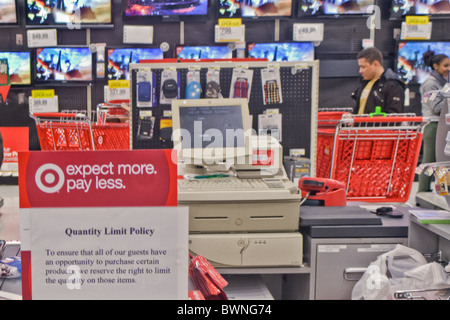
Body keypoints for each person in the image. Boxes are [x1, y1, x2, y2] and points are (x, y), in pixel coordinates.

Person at [418, 51, 450, 192]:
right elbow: (435, 107)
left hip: (443, 126)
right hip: (433, 126)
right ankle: (423, 191)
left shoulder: (443, 82)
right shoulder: (430, 84)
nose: (448, 68)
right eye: (445, 65)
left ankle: (444, 192)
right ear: (435, 66)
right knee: (430, 161)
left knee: (442, 163)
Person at [352, 47, 406, 115]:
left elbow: (395, 116)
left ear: (375, 64)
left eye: (363, 67)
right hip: (360, 125)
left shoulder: (393, 85)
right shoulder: (365, 83)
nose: (360, 71)